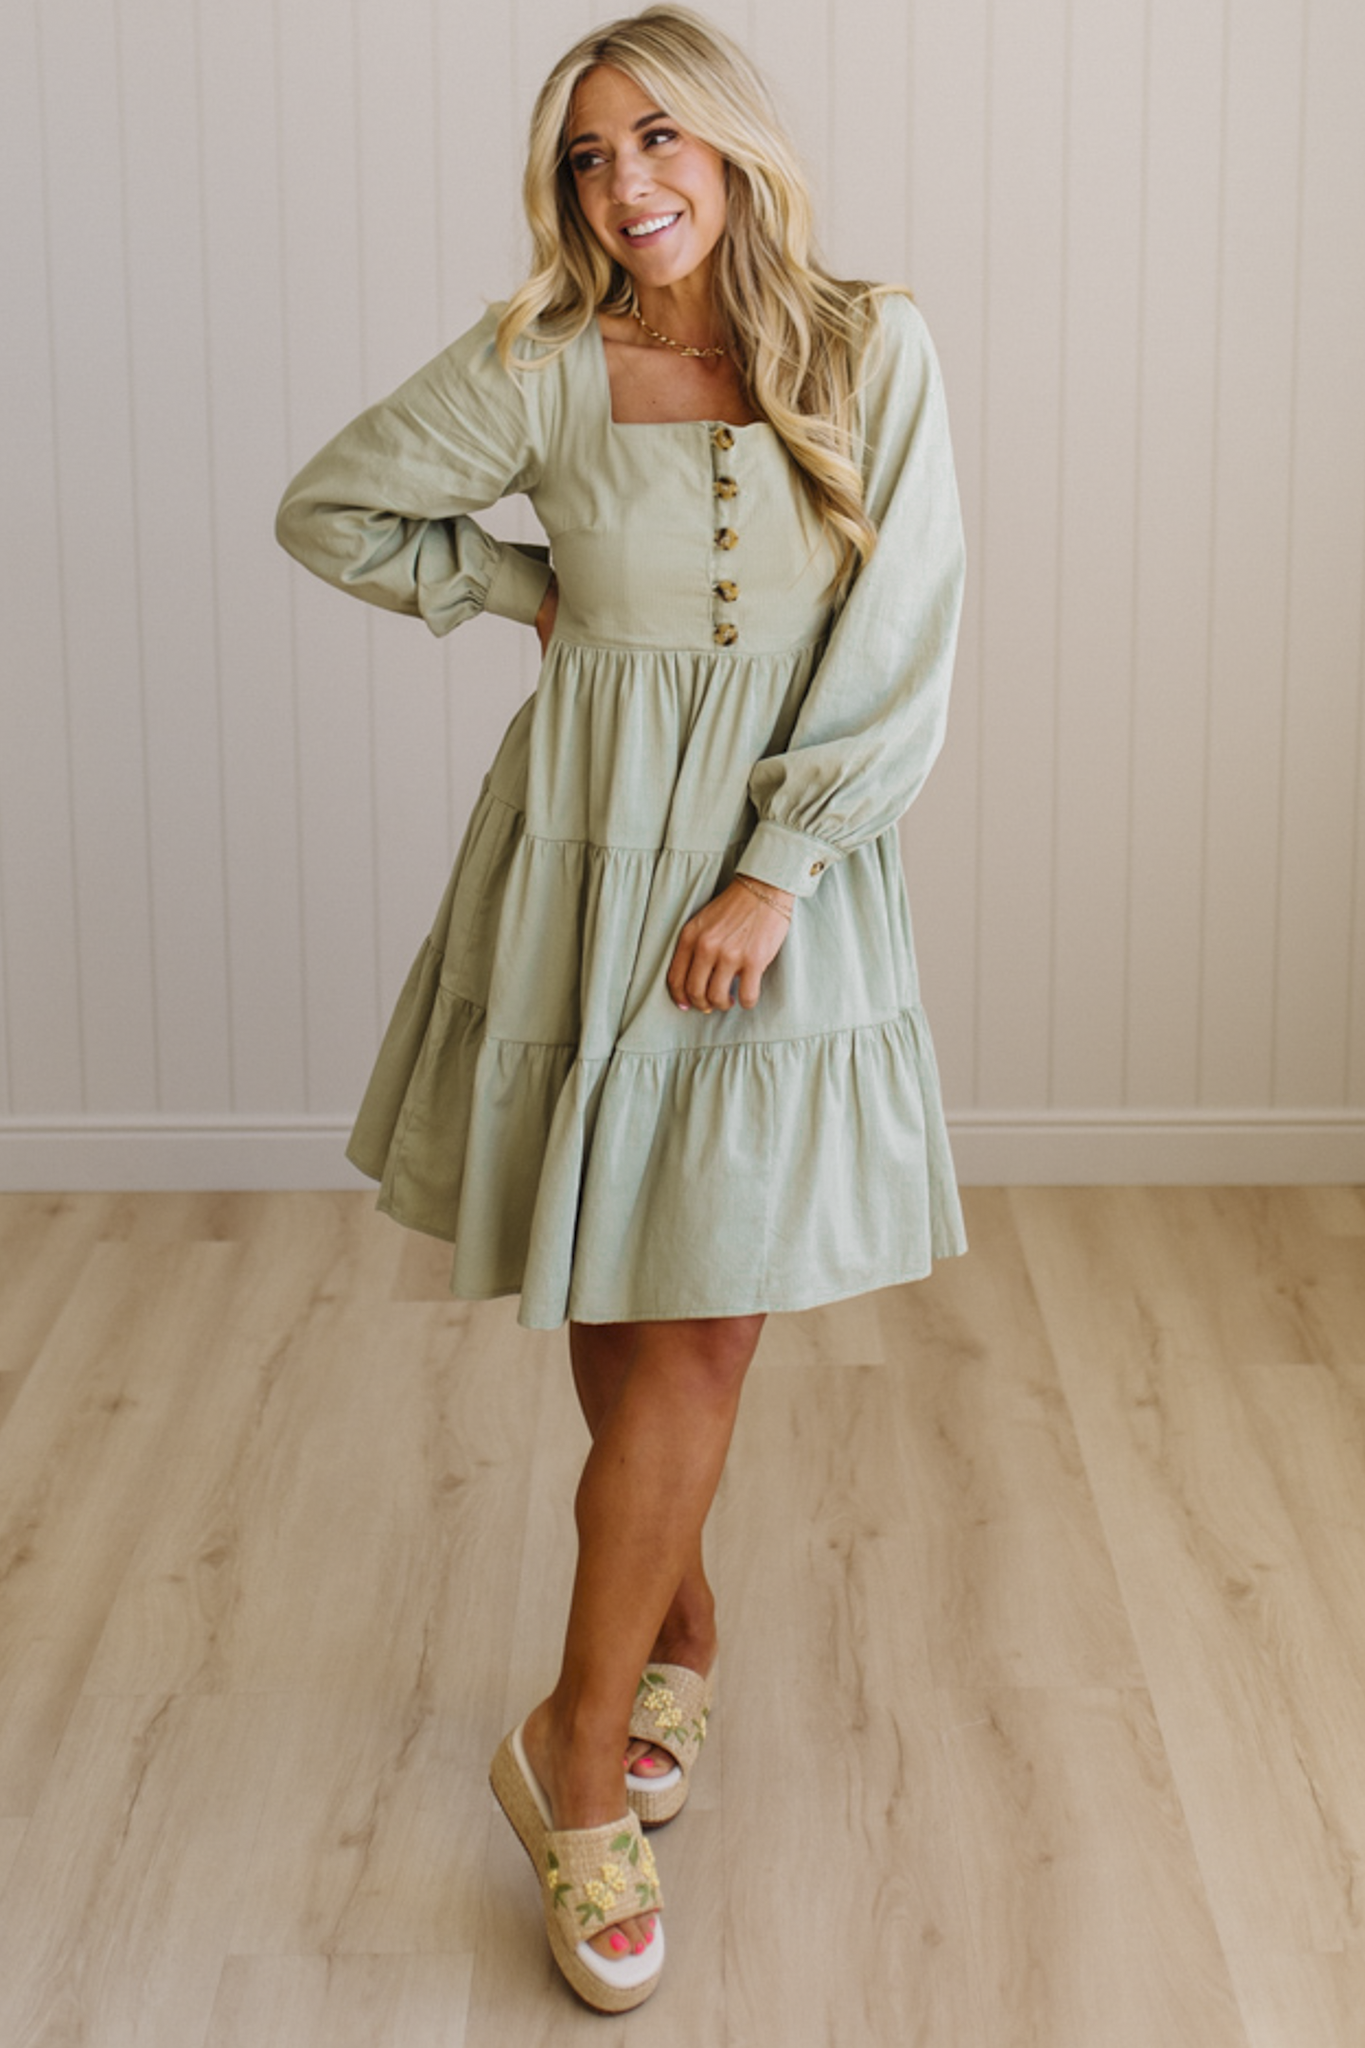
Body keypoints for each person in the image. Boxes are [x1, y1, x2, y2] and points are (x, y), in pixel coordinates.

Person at [275, 3, 965, 2014]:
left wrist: (782, 864)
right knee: (638, 1293)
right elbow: (334, 507)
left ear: (736, 146)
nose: (622, 180)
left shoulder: (871, 346)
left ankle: (598, 1708)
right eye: (584, 154)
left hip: (776, 880)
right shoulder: (546, 368)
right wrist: (520, 596)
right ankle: (609, 1732)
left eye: (655, 136)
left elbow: (906, 632)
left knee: (707, 1305)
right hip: (582, 866)